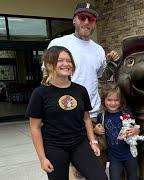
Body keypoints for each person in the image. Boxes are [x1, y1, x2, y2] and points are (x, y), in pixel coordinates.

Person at [47, 2, 119, 178]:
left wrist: (110, 63)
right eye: (82, 17)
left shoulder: (98, 50)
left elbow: (101, 78)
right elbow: (48, 78)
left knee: (98, 164)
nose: (87, 22)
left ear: (95, 23)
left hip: (92, 115)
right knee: (74, 169)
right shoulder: (59, 44)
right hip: (68, 116)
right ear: (74, 20)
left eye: (91, 18)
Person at [26, 46, 108, 180]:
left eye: (69, 60)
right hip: (54, 147)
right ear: (49, 64)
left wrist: (93, 141)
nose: (66, 64)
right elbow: (35, 128)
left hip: (79, 143)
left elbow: (86, 118)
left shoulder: (80, 90)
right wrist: (42, 158)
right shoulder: (40, 93)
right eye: (60, 60)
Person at [94, 82, 140, 180]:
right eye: (109, 100)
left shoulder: (126, 114)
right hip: (114, 157)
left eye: (116, 100)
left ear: (121, 101)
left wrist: (136, 130)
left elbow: (136, 129)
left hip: (130, 155)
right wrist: (95, 130)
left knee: (133, 177)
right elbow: (97, 129)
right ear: (103, 100)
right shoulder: (101, 116)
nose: (113, 103)